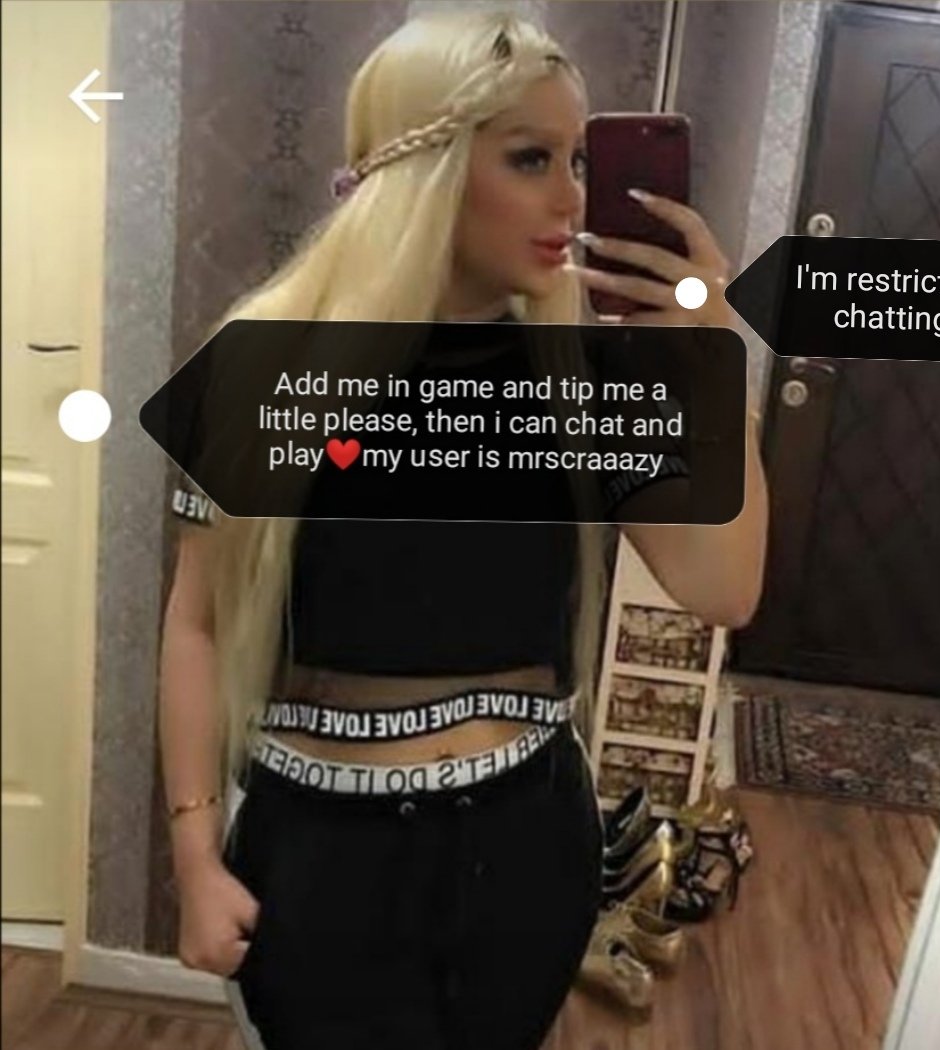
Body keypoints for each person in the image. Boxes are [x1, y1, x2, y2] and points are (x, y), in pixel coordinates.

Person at [158, 9, 767, 1050]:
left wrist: (716, 371)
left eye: (579, 160)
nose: (572, 197)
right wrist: (194, 859)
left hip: (526, 849)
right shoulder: (264, 361)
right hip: (318, 852)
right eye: (532, 158)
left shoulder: (579, 379)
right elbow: (197, 626)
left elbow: (724, 589)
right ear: (425, 167)